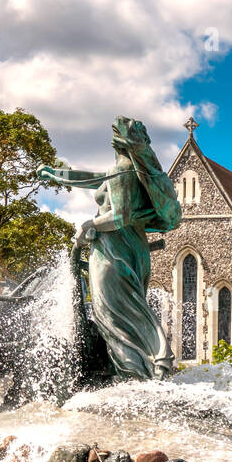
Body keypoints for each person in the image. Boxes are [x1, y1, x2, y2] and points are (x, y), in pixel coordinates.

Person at [37, 117, 182, 380]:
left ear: (116, 142)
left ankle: (137, 374)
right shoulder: (127, 170)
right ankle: (148, 365)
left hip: (114, 251)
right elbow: (93, 179)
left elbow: (120, 217)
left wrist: (87, 225)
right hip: (130, 248)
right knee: (129, 310)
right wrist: (57, 174)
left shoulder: (124, 170)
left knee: (114, 316)